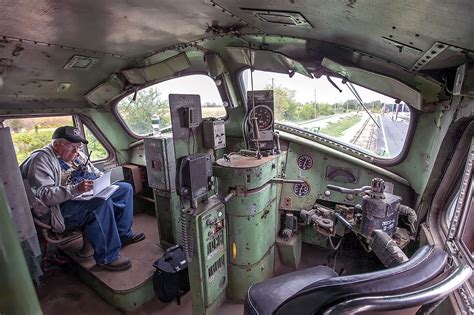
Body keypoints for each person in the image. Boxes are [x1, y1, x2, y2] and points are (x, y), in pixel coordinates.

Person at [21, 126, 145, 271]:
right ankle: (108, 257)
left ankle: (123, 234)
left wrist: (101, 181)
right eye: (72, 147)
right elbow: (44, 195)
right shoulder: (41, 160)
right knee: (100, 205)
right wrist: (75, 189)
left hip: (83, 197)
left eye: (78, 147)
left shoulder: (77, 156)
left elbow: (95, 172)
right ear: (56, 145)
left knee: (125, 189)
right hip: (59, 209)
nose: (76, 152)